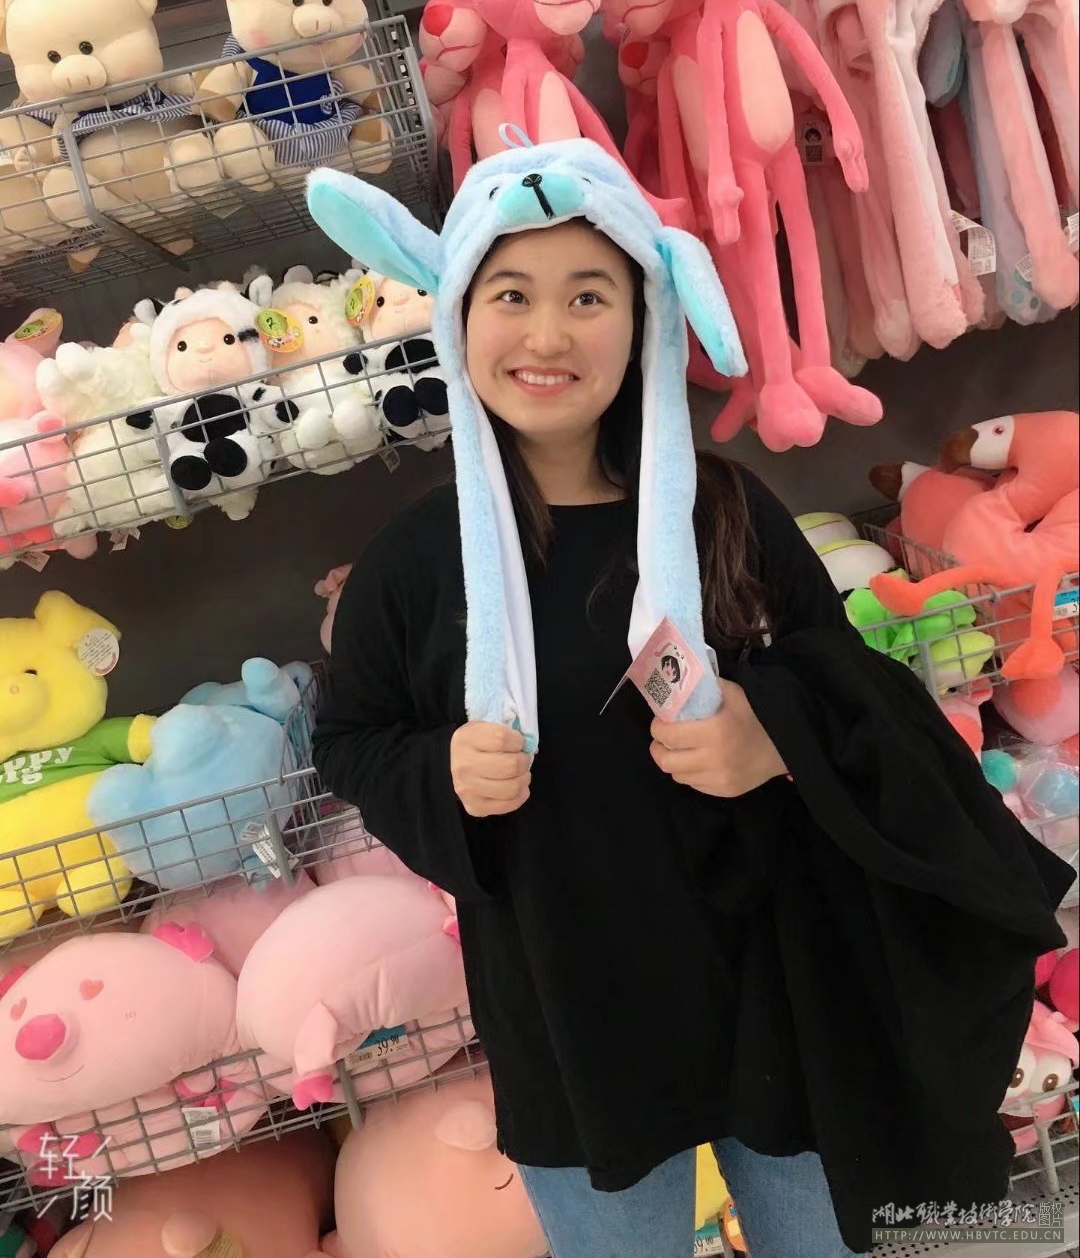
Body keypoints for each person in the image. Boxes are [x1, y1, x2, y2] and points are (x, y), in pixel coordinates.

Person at [311, 140, 1071, 1258]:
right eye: (511, 294)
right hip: (573, 1006)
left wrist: (772, 732)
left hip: (778, 988)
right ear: (459, 310)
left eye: (589, 296)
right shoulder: (421, 562)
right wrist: (442, 772)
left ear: (647, 317)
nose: (548, 334)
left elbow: (858, 687)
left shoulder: (728, 512)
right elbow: (350, 736)